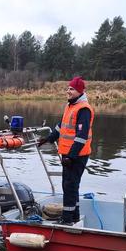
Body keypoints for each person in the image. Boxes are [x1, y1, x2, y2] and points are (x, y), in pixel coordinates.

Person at [38, 76, 95, 224]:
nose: (68, 91)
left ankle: (67, 220)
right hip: (69, 155)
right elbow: (61, 126)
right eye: (68, 88)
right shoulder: (71, 106)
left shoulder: (83, 109)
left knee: (69, 186)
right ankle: (74, 216)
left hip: (77, 155)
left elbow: (81, 137)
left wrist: (71, 156)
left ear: (80, 91)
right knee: (70, 185)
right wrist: (48, 138)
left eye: (72, 89)